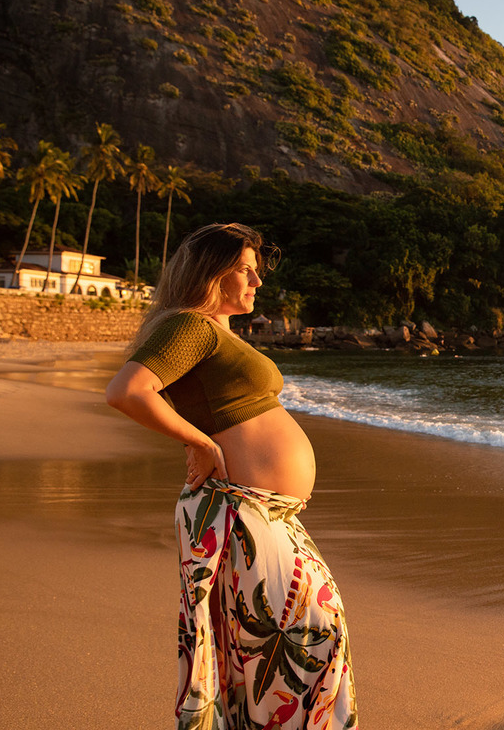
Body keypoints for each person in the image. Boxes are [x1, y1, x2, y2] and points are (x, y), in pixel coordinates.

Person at [106, 223, 358, 729]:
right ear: (211, 272)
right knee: (309, 635)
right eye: (245, 270)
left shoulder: (214, 332)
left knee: (269, 650)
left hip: (266, 513)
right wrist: (200, 442)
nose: (256, 282)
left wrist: (198, 437)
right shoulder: (192, 326)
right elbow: (128, 390)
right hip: (239, 510)